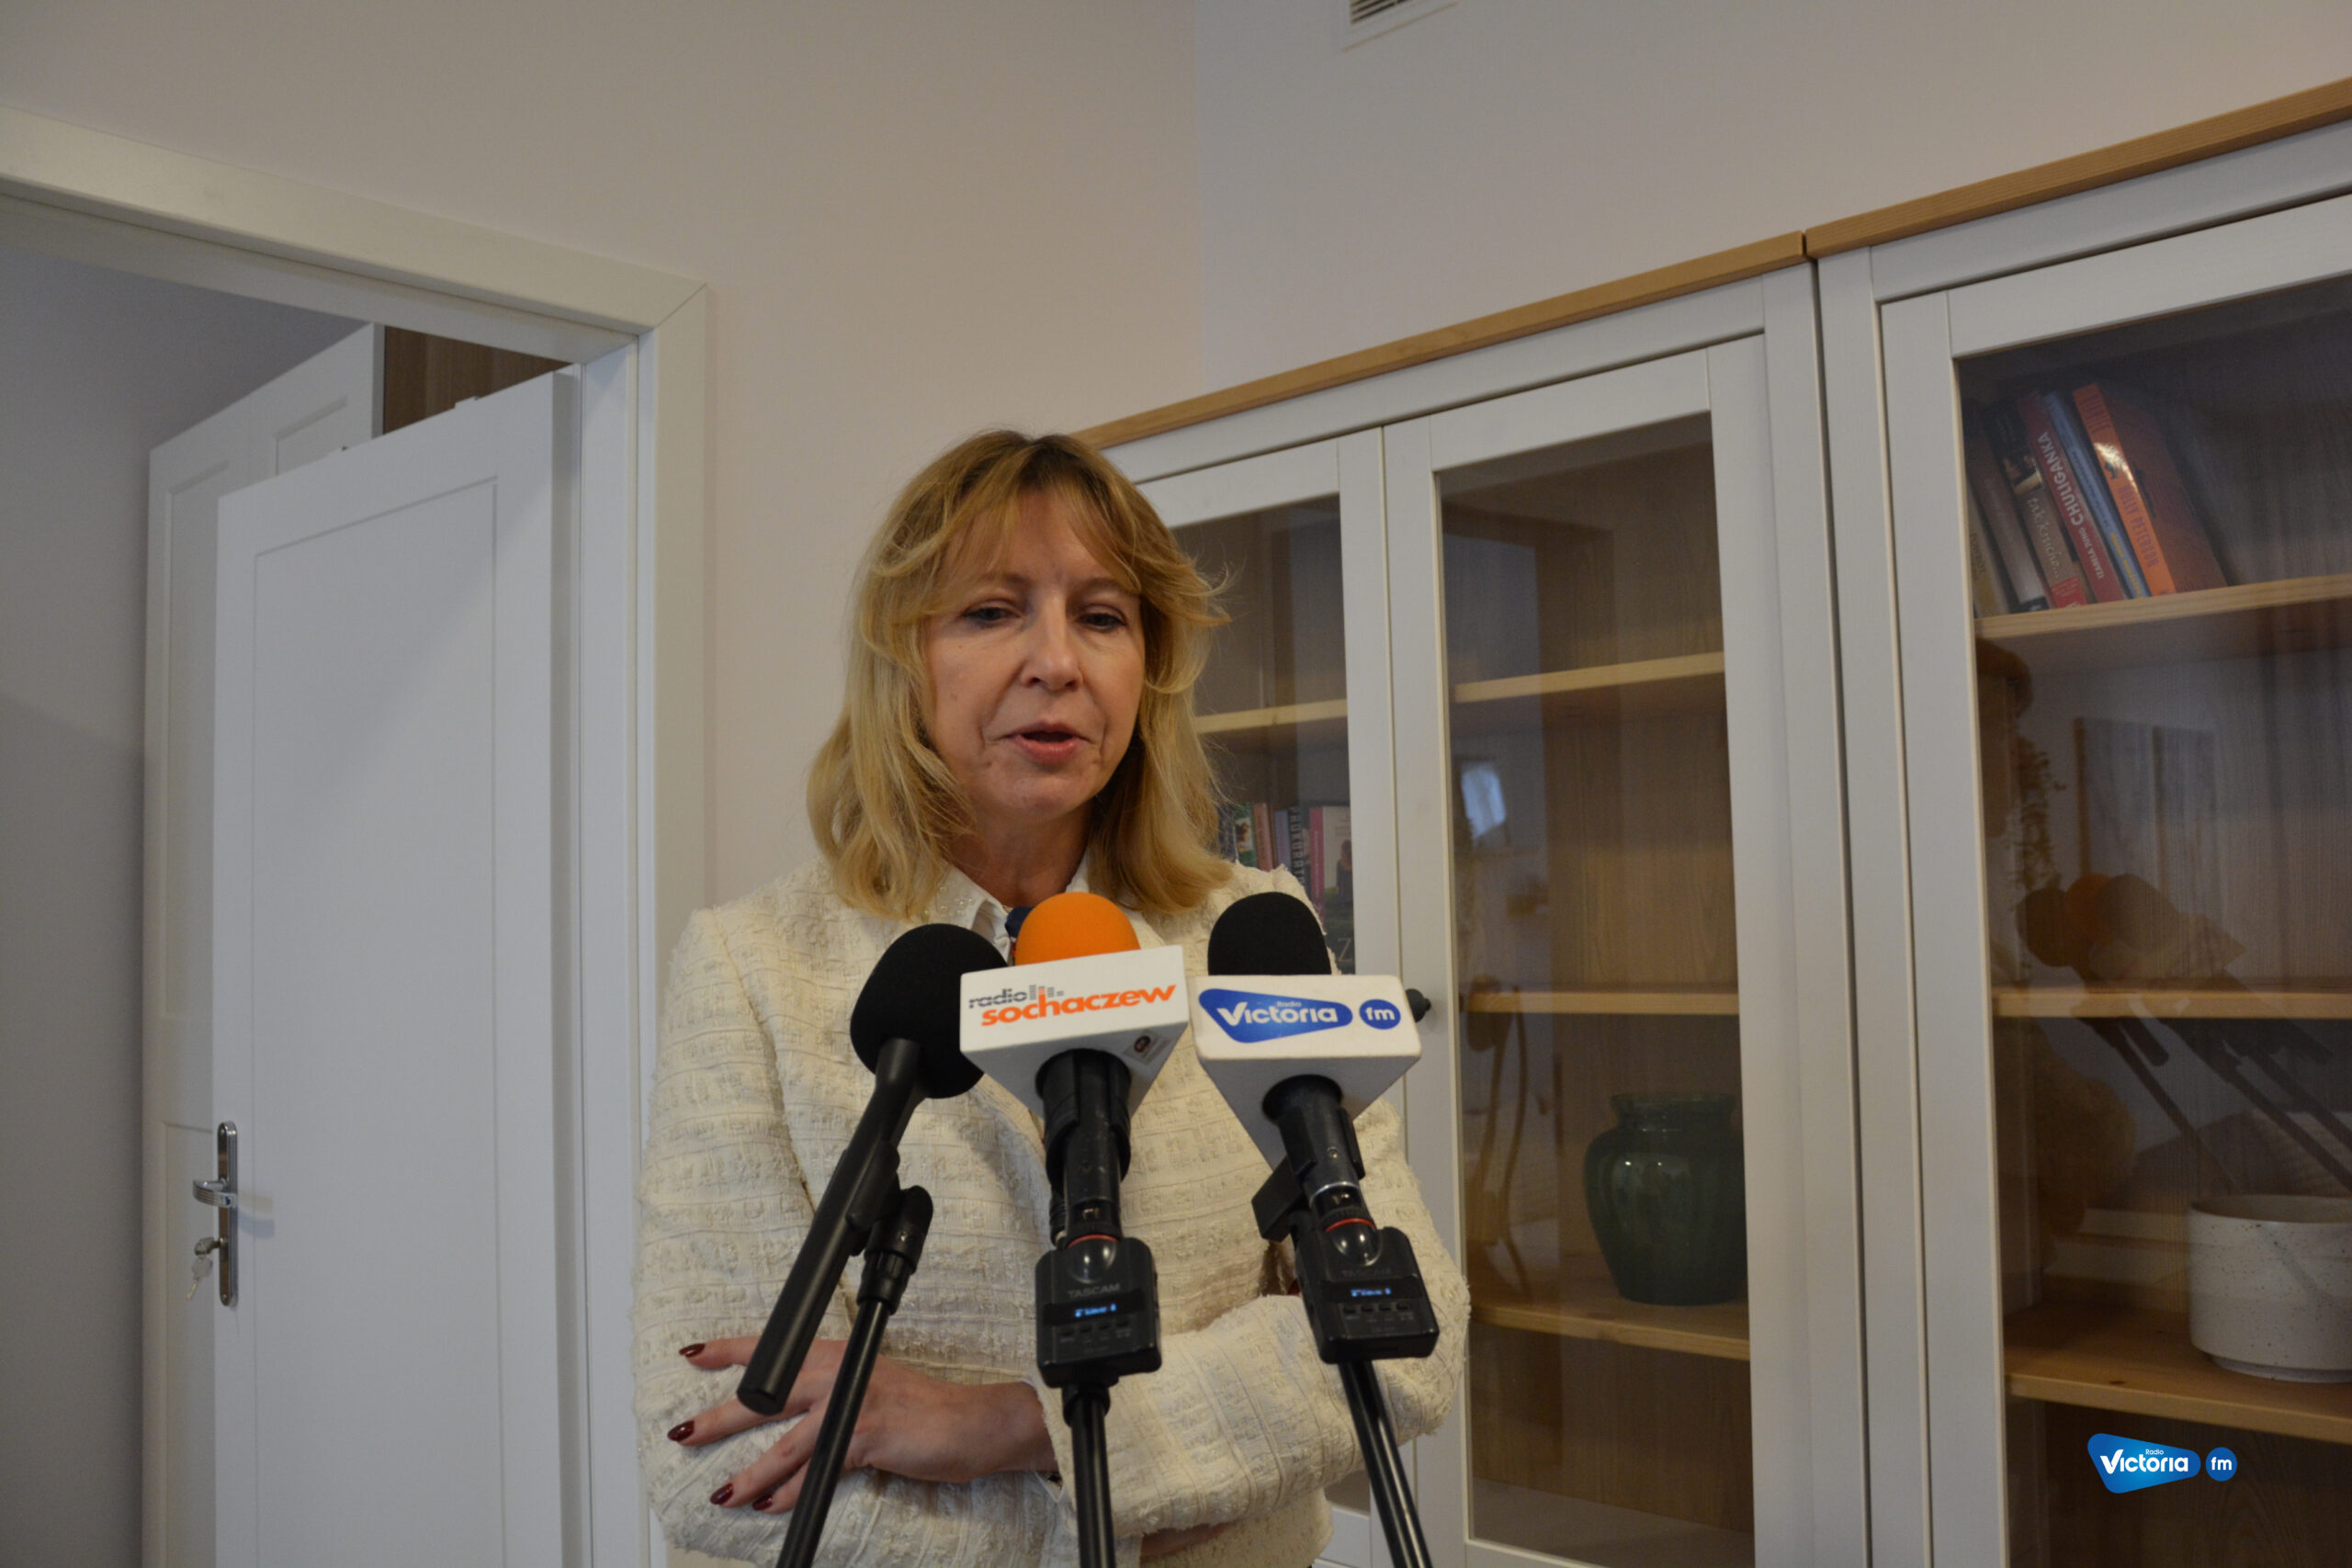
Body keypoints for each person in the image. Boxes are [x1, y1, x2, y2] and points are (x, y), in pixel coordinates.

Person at [633, 431, 1468, 1565]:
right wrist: (1149, 1501)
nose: (1057, 662)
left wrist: (1006, 1429)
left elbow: (1408, 1342)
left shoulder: (1254, 933)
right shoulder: (753, 968)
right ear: (902, 656)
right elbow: (718, 1462)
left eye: (1103, 616)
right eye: (991, 611)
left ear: (1147, 666)